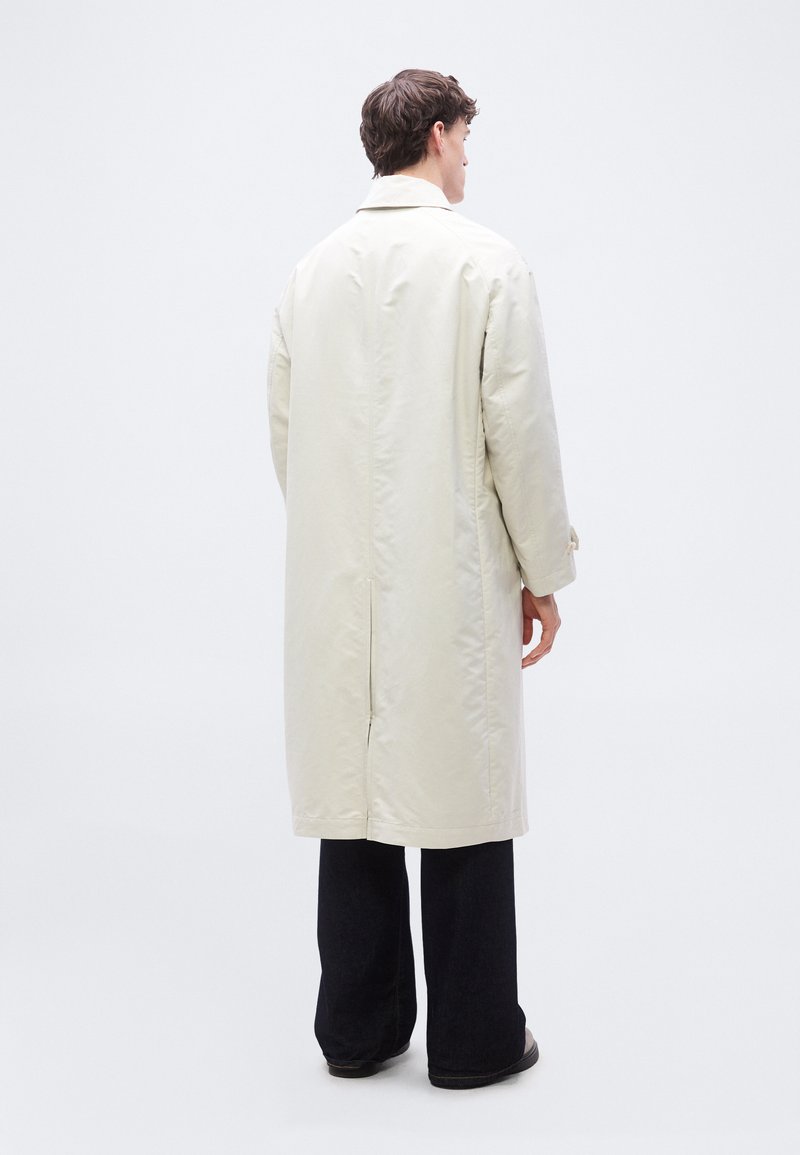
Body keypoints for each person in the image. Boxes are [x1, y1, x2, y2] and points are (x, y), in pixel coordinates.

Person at [267, 68, 579, 1090]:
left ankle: (356, 1032)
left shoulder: (311, 272)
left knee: (355, 791)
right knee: (461, 793)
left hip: (335, 580)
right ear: (439, 136)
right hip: (449, 571)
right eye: (466, 138)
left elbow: (288, 434)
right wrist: (541, 571)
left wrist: (338, 536)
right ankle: (476, 1041)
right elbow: (518, 436)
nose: (468, 158)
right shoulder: (484, 264)